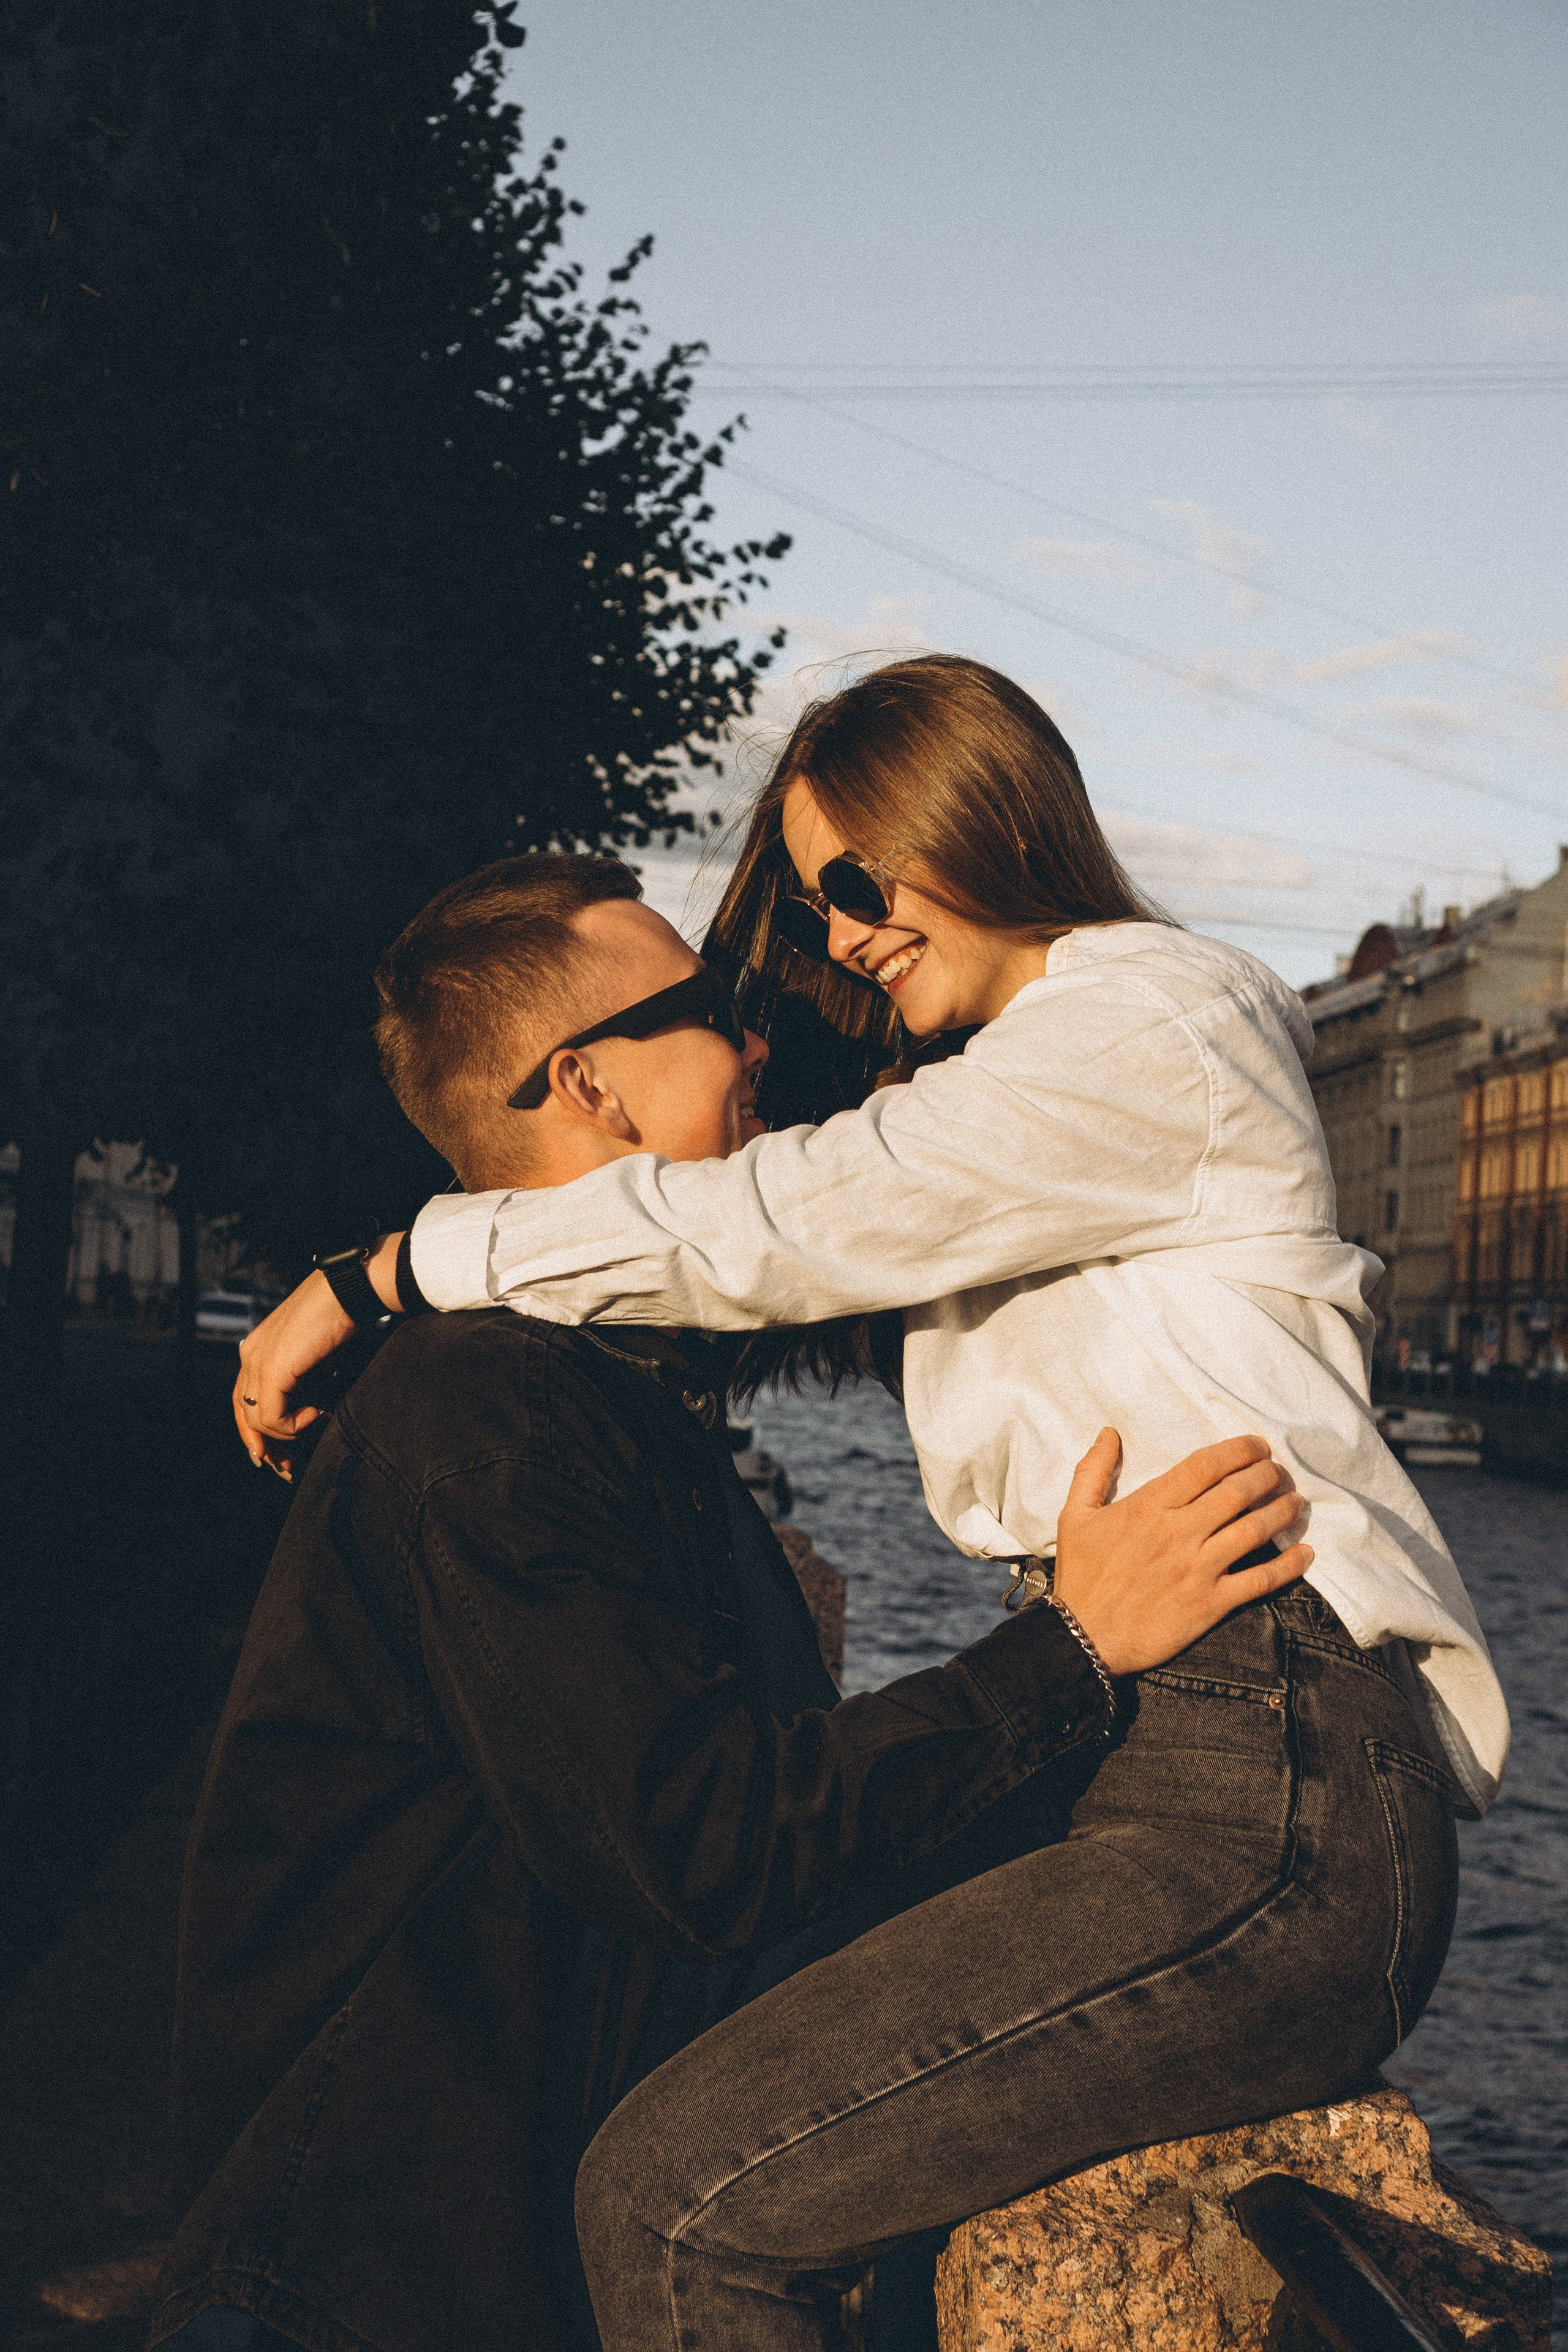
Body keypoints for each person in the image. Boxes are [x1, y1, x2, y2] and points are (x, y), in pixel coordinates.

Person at [237, 656, 1498, 2352]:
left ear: (975, 818)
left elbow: (780, 1223)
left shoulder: (1159, 1018)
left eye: (857, 881)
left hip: (1268, 1767)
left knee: (679, 2203)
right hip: (1168, 1751)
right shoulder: (1006, 1093)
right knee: (722, 2148)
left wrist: (391, 1267)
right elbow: (774, 1231)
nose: (839, 938)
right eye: (817, 901)